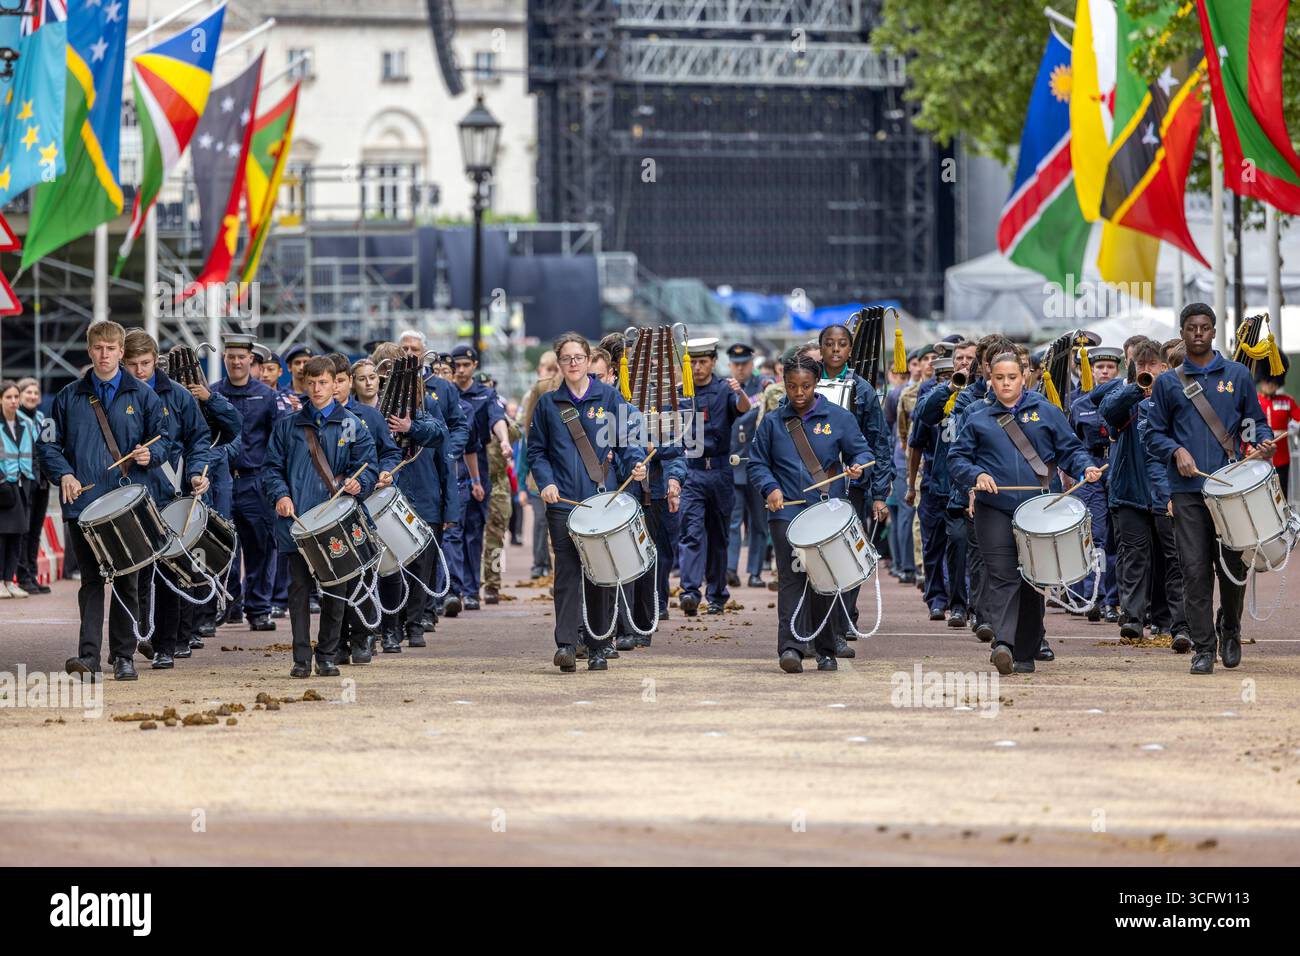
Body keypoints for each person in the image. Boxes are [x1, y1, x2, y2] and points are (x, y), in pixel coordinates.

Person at [949, 351, 1103, 674]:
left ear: (1024, 377)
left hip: (1040, 508)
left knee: (1035, 580)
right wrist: (976, 475)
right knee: (1003, 575)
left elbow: (1070, 449)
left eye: (1012, 378)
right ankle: (1003, 644)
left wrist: (1085, 466)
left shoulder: (1045, 411)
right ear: (990, 379)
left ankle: (1026, 650)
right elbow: (957, 458)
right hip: (995, 508)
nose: (1006, 384)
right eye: (999, 378)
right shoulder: (977, 416)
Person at [1144, 303, 1276, 674]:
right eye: (1191, 328)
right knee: (1194, 569)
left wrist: (1261, 442)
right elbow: (1153, 434)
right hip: (1187, 491)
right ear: (1183, 332)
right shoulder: (1169, 382)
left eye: (1204, 327)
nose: (1198, 333)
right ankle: (1204, 647)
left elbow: (1254, 422)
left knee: (1233, 568)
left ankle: (1230, 629)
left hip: (1231, 491)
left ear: (1214, 331)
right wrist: (1176, 451)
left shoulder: (1237, 375)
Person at [38, 321, 171, 681]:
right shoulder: (68, 397)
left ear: (121, 351)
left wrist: (151, 454)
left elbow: (165, 438)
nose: (105, 354)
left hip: (127, 503)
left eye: (112, 348)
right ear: (89, 349)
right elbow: (48, 444)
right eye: (99, 348)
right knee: (92, 582)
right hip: (83, 505)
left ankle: (123, 656)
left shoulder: (144, 395)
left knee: (127, 581)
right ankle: (89, 658)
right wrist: (63, 473)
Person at [748, 352, 876, 673]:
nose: (799, 393)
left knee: (825, 582)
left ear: (815, 383)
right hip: (786, 514)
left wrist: (859, 466)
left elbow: (862, 450)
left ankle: (826, 649)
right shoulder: (773, 422)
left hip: (826, 515)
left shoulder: (839, 417)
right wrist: (770, 488)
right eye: (792, 387)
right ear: (785, 385)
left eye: (805, 386)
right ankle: (790, 647)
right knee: (791, 579)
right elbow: (757, 463)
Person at [527, 333, 647, 672]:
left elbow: (627, 441)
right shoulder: (548, 404)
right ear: (559, 363)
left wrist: (636, 465)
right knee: (566, 573)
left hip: (601, 503)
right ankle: (566, 643)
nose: (574, 363)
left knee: (600, 575)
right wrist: (546, 482)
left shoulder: (608, 397)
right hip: (563, 503)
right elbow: (537, 451)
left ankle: (598, 645)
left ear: (587, 358)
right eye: (567, 358)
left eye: (579, 356)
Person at [264, 356, 378, 677]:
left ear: (335, 383)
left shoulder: (353, 424)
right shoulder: (287, 425)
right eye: (311, 382)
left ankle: (327, 655)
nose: (316, 388)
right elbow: (271, 468)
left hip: (335, 523)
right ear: (304, 382)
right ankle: (301, 659)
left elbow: (368, 464)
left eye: (323, 382)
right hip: (296, 523)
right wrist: (281, 495)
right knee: (298, 591)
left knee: (335, 590)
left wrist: (360, 481)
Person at [120, 331, 213, 668]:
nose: (140, 370)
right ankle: (140, 635)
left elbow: (199, 438)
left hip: (172, 491)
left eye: (145, 363)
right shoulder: (115, 394)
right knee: (135, 572)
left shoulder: (177, 395)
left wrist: (198, 473)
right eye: (132, 365)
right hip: (129, 493)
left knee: (170, 574)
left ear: (155, 359)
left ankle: (166, 645)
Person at [1099, 338, 1189, 650]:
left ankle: (1175, 623)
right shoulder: (1124, 395)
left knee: (1173, 560)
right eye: (1141, 365)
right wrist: (1138, 387)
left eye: (1153, 365)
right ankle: (1133, 620)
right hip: (1130, 492)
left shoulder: (1176, 397)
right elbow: (1107, 413)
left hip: (1167, 492)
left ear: (1165, 367)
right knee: (1133, 558)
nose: (1147, 370)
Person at [816, 323, 894, 643]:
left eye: (842, 344)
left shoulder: (862, 389)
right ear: (820, 348)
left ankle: (846, 616)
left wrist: (879, 493)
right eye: (829, 344)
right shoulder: (806, 384)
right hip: (812, 485)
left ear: (850, 350)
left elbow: (878, 443)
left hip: (853, 487)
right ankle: (821, 619)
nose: (836, 350)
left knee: (850, 553)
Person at [326, 353, 402, 663]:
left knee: (362, 571)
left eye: (341, 381)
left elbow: (390, 452)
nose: (335, 388)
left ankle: (363, 636)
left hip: (361, 504)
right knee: (333, 573)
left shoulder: (368, 418)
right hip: (328, 507)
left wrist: (384, 472)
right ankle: (337, 640)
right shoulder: (311, 417)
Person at [212, 334, 287, 631]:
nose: (236, 361)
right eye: (231, 356)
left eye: (241, 357)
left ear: (251, 360)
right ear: (225, 359)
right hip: (221, 482)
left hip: (255, 481)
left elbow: (276, 441)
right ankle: (225, 606)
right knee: (222, 547)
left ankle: (258, 610)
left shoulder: (266, 396)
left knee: (260, 548)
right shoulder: (213, 393)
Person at [678, 337, 751, 616]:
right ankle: (690, 592)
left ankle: (717, 595)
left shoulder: (725, 389)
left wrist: (740, 392)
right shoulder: (681, 391)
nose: (697, 368)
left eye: (703, 362)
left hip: (720, 471)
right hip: (692, 472)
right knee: (691, 533)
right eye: (693, 362)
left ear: (713, 362)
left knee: (719, 536)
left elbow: (743, 409)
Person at [913, 341, 979, 628]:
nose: (964, 363)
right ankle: (938, 599)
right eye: (959, 358)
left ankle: (964, 601)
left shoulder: (983, 395)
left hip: (967, 484)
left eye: (969, 358)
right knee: (935, 546)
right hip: (936, 480)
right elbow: (918, 432)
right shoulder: (937, 393)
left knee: (963, 546)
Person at [443, 345, 512, 614]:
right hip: (451, 469)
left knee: (477, 531)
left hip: (480, 469)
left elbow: (498, 418)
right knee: (452, 531)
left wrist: (505, 441)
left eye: (465, 365)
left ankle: (474, 590)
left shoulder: (485, 394)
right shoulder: (445, 393)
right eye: (455, 366)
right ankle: (453, 589)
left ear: (474, 365)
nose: (460, 371)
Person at [1067, 345, 1122, 622]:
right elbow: (1070, 444)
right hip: (1090, 472)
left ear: (1118, 370)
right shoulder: (1079, 405)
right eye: (1099, 367)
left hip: (1116, 467)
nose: (1104, 371)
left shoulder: (1125, 399)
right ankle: (1095, 596)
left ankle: (1113, 600)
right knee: (1096, 534)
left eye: (1110, 367)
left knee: (1116, 537)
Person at [726, 343, 772, 589]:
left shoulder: (764, 386)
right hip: (732, 465)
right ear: (730, 365)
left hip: (756, 465)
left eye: (744, 363)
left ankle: (754, 572)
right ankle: (730, 569)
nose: (741, 368)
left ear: (752, 363)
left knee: (758, 522)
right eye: (736, 363)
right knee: (732, 523)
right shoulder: (724, 388)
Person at [14, 378, 50, 594]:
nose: (33, 396)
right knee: (24, 530)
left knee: (35, 530)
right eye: (28, 392)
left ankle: (32, 574)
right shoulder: (15, 419)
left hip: (42, 481)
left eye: (36, 393)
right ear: (20, 395)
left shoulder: (40, 418)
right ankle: (23, 576)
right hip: (26, 481)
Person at [0, 381, 34, 598]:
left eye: (15, 397)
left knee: (18, 536)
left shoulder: (26, 423)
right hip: (3, 486)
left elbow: (34, 452)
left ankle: (9, 580)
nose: (13, 401)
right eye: (8, 397)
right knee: (2, 537)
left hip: (23, 485)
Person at [1255, 356, 1299, 494]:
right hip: (1258, 457)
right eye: (1267, 380)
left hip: (1282, 459)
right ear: (1261, 380)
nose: (1270, 384)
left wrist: (1295, 427)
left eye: (1274, 381)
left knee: (1283, 495)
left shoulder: (1287, 401)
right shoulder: (1254, 400)